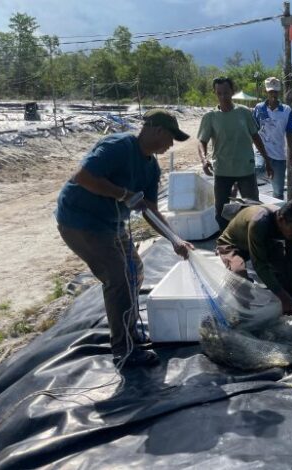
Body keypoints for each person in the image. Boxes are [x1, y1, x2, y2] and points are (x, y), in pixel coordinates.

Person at [56, 109, 195, 367]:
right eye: (171, 138)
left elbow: (150, 210)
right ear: (157, 130)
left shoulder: (151, 168)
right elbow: (83, 177)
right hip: (81, 221)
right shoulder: (119, 146)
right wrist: (123, 194)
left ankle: (129, 330)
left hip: (112, 223)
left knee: (135, 271)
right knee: (118, 278)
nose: (171, 145)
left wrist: (175, 239)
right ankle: (124, 349)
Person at [198, 77, 271, 230]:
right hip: (222, 170)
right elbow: (202, 141)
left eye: (226, 92)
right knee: (221, 211)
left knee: (253, 209)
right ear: (215, 93)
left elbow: (256, 137)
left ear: (232, 91)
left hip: (245, 169)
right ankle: (226, 238)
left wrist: (267, 160)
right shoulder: (210, 117)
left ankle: (251, 237)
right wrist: (204, 160)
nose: (223, 96)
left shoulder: (244, 112)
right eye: (219, 93)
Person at [216, 199, 292, 315]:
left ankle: (288, 307)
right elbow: (260, 265)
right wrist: (284, 298)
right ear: (281, 220)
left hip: (265, 241)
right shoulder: (259, 222)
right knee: (239, 274)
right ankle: (244, 313)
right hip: (233, 244)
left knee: (285, 271)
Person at [253, 77, 292, 200]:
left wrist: (291, 154)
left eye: (276, 92)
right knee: (257, 169)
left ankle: (277, 210)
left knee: (278, 192)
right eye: (271, 92)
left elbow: (289, 133)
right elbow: (253, 131)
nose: (273, 94)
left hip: (278, 155)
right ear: (266, 92)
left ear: (279, 92)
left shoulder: (286, 110)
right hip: (261, 152)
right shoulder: (259, 108)